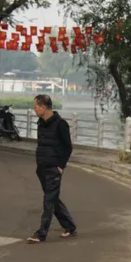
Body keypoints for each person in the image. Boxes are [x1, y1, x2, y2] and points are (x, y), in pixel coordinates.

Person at [27, 94, 76, 243]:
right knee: (52, 199)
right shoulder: (41, 123)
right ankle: (70, 226)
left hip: (54, 168)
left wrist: (60, 166)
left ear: (43, 107)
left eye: (36, 107)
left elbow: (68, 147)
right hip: (41, 167)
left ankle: (41, 234)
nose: (34, 110)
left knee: (48, 201)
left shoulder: (61, 124)